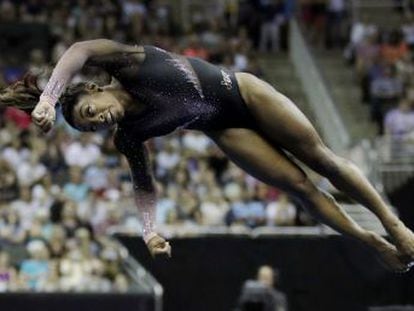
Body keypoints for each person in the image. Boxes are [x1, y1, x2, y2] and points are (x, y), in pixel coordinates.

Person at [2, 39, 414, 272]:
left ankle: (394, 224)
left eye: (93, 113)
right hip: (223, 127)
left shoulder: (128, 64)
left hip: (242, 92)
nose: (103, 119)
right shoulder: (129, 135)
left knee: (321, 159)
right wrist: (149, 231)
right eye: (95, 127)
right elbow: (143, 185)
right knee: (301, 188)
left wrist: (50, 96)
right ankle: (372, 242)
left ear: (94, 90)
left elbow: (79, 50)